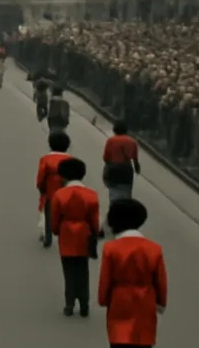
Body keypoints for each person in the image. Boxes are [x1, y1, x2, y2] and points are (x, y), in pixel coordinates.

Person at [98, 197, 167, 348]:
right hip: (145, 305)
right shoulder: (154, 249)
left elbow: (106, 281)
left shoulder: (111, 249)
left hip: (120, 304)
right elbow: (160, 281)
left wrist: (103, 299)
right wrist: (160, 302)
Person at [50, 156, 100, 317]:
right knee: (83, 270)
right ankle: (84, 303)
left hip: (66, 234)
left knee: (69, 270)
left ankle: (69, 303)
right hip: (84, 233)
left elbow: (55, 219)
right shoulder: (91, 195)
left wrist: (56, 230)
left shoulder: (59, 195)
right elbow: (94, 221)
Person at [36, 131, 71, 247]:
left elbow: (41, 176)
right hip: (66, 191)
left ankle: (47, 238)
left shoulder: (46, 159)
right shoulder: (70, 159)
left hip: (50, 191)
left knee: (48, 214)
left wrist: (41, 187)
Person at [102, 120, 141, 205]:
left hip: (114, 168)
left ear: (114, 129)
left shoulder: (111, 141)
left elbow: (106, 158)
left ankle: (114, 207)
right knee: (126, 191)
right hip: (126, 169)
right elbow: (135, 160)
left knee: (113, 190)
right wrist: (137, 170)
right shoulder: (132, 142)